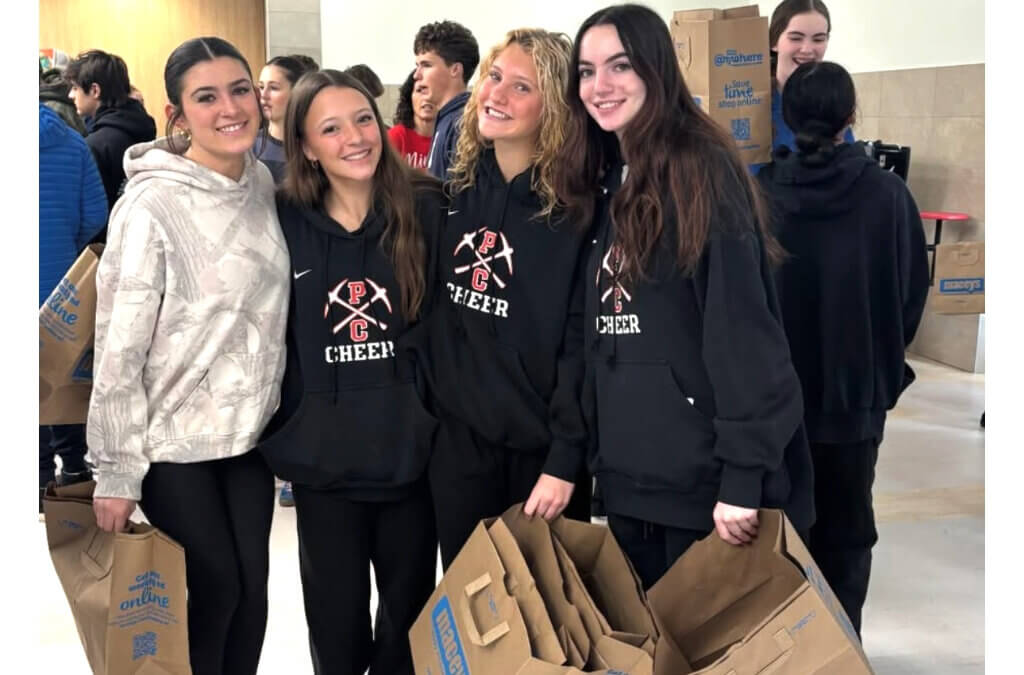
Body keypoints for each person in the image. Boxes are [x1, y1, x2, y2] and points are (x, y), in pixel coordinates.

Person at [552, 4, 814, 590]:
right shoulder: (609, 172)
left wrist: (744, 477)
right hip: (630, 474)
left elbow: (742, 330)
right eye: (588, 71)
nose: (601, 86)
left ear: (657, 69)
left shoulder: (701, 170)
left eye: (620, 65)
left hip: (702, 484)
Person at [87, 37, 289, 675]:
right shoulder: (150, 205)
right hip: (171, 442)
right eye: (207, 97)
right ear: (178, 113)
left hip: (250, 439)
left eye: (238, 90)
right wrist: (115, 471)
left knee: (252, 598)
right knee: (215, 591)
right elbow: (119, 343)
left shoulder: (261, 182)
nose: (229, 108)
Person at [258, 69, 443, 675]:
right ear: (306, 146)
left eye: (363, 119)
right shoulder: (280, 220)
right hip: (324, 469)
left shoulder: (427, 209)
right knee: (336, 636)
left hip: (407, 463)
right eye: (330, 128)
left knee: (407, 633)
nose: (355, 137)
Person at [757, 61, 930, 637]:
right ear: (851, 118)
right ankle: (842, 651)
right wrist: (878, 362)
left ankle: (779, 656)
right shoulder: (888, 196)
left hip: (772, 408)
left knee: (776, 540)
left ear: (785, 115)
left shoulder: (758, 196)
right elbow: (910, 298)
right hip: (855, 403)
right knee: (848, 536)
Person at [409, 28, 592, 570]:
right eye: (494, 78)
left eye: (521, 88)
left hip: (541, 457)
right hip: (458, 447)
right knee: (472, 614)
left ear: (554, 107)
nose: (496, 95)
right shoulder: (451, 197)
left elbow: (579, 350)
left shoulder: (576, 215)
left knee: (551, 624)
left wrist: (565, 460)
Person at [39, 103, 108, 514]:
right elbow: (94, 215)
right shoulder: (70, 141)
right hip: (59, 286)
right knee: (60, 377)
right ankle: (75, 471)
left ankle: (37, 476)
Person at [751, 0, 853, 173]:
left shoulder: (831, 106)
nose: (807, 49)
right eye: (796, 38)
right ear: (774, 42)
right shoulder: (750, 105)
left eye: (818, 39)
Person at [65, 49, 156, 209]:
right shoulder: (142, 125)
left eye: (75, 88)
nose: (70, 95)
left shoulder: (96, 145)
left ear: (95, 90)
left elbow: (93, 210)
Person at [412, 20, 479, 180]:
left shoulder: (463, 124)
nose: (416, 75)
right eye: (417, 66)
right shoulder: (447, 118)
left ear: (455, 69)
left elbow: (458, 200)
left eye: (426, 65)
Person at [256, 55, 316, 187]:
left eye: (273, 88)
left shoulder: (314, 148)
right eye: (261, 87)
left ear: (297, 92)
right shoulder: (250, 146)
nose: (264, 96)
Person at [388, 70, 437, 170]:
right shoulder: (396, 136)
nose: (427, 98)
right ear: (410, 97)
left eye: (434, 91)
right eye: (420, 90)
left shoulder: (451, 138)